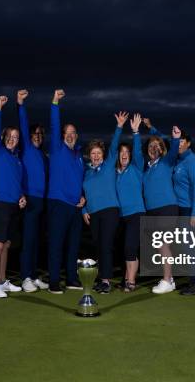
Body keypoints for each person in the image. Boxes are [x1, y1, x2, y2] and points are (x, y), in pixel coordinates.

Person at [146, 119, 195, 295]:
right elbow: (165, 141)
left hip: (187, 209)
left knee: (190, 247)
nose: (178, 144)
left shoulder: (192, 161)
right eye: (177, 142)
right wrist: (151, 128)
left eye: (182, 142)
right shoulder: (177, 160)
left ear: (187, 143)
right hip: (178, 208)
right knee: (182, 247)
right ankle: (188, 281)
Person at [0, 94, 27, 298]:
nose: (13, 139)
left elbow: (16, 181)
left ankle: (2, 280)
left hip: (12, 204)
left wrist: (21, 195)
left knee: (7, 243)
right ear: (3, 137)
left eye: (16, 137)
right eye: (10, 136)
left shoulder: (16, 159)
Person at [46, 89, 86, 294]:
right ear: (62, 136)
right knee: (56, 244)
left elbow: (80, 180)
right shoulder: (57, 148)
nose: (70, 135)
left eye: (73, 133)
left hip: (75, 206)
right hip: (58, 204)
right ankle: (54, 281)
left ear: (76, 136)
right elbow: (54, 124)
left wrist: (82, 197)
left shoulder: (79, 156)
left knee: (73, 246)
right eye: (67, 133)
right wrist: (55, 102)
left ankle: (71, 278)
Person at [82, 112, 126, 293]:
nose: (96, 156)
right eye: (93, 153)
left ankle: (106, 281)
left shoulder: (108, 165)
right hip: (93, 213)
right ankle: (102, 279)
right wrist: (83, 210)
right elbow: (82, 195)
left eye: (98, 153)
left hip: (109, 211)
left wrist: (119, 126)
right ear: (89, 155)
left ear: (103, 154)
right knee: (98, 246)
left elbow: (115, 146)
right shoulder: (86, 173)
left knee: (106, 244)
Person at [17, 89, 50, 293]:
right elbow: (22, 123)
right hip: (29, 200)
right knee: (28, 240)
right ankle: (25, 277)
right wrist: (20, 105)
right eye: (34, 134)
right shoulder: (27, 149)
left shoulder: (43, 156)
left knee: (38, 240)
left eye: (40, 134)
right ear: (28, 136)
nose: (37, 137)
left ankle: (35, 275)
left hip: (42, 202)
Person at [143, 123, 181, 294]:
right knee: (160, 245)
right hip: (152, 210)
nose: (154, 148)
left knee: (163, 244)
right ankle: (169, 279)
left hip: (167, 207)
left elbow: (173, 149)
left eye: (158, 146)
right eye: (151, 146)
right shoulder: (147, 168)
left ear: (162, 149)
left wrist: (175, 138)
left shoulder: (166, 162)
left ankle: (167, 280)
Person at [115, 114, 146, 292]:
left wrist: (135, 131)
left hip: (136, 213)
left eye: (127, 153)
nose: (125, 155)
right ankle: (127, 276)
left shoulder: (136, 168)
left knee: (130, 246)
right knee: (126, 249)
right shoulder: (115, 173)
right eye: (122, 153)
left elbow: (138, 151)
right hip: (121, 215)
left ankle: (131, 281)